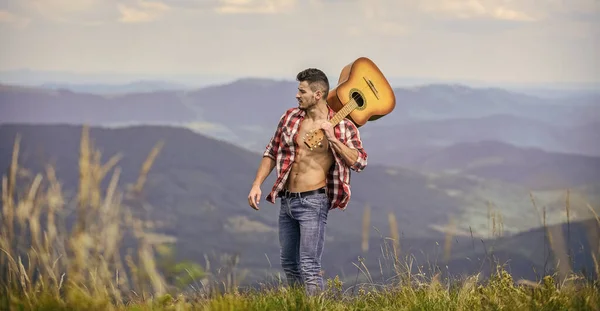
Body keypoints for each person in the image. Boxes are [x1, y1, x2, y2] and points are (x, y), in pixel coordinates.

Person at [247, 67, 368, 295]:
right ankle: (298, 305)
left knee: (309, 267)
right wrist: (257, 184)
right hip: (287, 202)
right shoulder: (290, 117)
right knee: (289, 265)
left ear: (318, 94)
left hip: (313, 202)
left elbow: (359, 161)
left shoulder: (343, 126)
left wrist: (332, 139)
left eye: (302, 91)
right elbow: (272, 151)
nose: (297, 95)